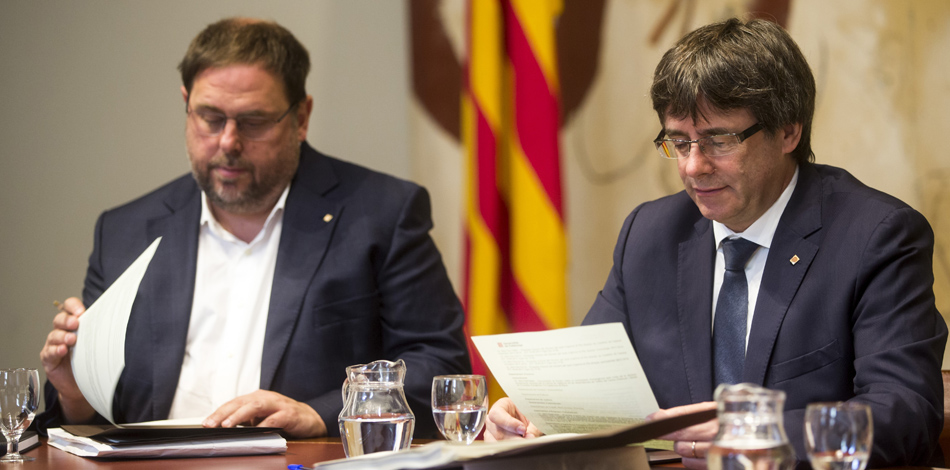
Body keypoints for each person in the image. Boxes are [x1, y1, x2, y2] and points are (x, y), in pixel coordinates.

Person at [485, 17, 946, 468]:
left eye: (718, 141)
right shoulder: (649, 235)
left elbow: (905, 412)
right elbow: (582, 391)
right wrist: (531, 415)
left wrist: (752, 434)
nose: (692, 167)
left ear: (788, 130)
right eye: (679, 142)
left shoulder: (876, 236)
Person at [37, 17, 471, 439]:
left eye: (253, 121)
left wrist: (318, 414)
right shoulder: (124, 232)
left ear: (301, 117)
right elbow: (91, 418)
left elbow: (439, 366)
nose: (228, 142)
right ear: (186, 104)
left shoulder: (382, 214)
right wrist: (74, 392)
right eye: (210, 117)